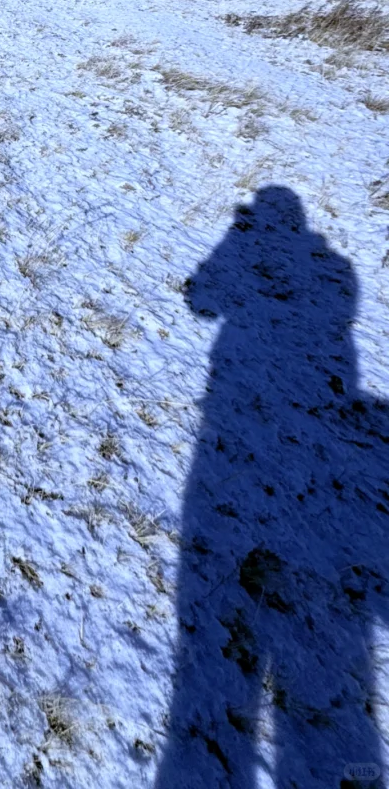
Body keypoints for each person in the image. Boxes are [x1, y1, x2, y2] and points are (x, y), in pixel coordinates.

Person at [157, 186, 388, 788]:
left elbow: (202, 299)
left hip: (237, 416)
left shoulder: (259, 245)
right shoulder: (336, 270)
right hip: (306, 417)